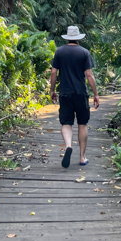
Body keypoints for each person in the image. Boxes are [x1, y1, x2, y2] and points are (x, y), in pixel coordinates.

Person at [49, 25, 100, 168]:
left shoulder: (59, 52)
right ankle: (82, 157)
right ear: (78, 38)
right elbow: (89, 75)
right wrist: (96, 94)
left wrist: (52, 90)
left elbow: (54, 72)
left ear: (67, 38)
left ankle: (68, 145)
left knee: (66, 123)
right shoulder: (84, 53)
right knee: (82, 124)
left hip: (65, 93)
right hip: (80, 93)